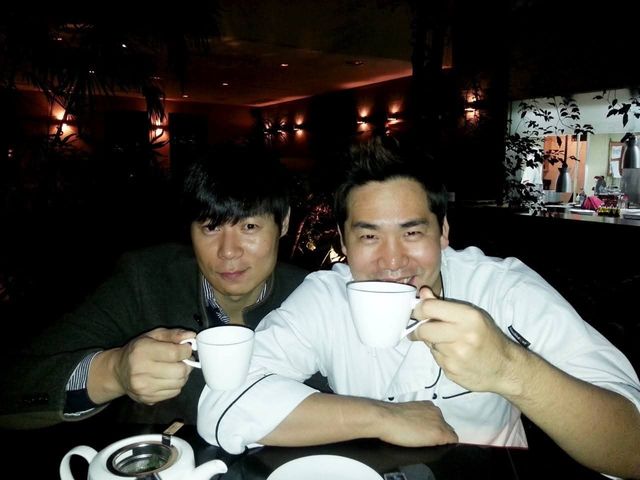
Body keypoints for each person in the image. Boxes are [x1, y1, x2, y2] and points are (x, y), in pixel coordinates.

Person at [197, 139, 640, 479]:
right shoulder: (327, 297)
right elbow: (222, 402)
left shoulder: (501, 288)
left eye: (412, 233)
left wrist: (509, 368)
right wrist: (383, 417)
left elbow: (632, 449)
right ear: (344, 243)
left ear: (443, 232)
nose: (392, 261)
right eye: (369, 236)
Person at [0, 143, 309, 428]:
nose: (228, 251)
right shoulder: (145, 281)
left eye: (249, 226)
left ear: (283, 223)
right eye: (210, 227)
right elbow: (13, 384)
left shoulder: (311, 294)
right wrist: (113, 372)